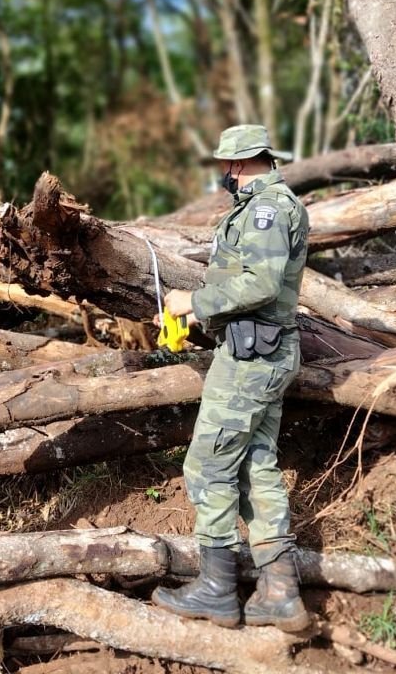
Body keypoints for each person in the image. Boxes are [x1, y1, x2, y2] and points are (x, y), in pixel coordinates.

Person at [151, 124, 310, 632]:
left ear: (239, 164)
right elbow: (243, 282)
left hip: (251, 361)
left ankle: (218, 589)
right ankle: (280, 591)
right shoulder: (266, 207)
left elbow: (261, 284)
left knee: (207, 466)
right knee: (256, 464)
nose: (223, 173)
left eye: (226, 164)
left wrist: (192, 302)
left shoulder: (265, 210)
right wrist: (195, 316)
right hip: (262, 351)